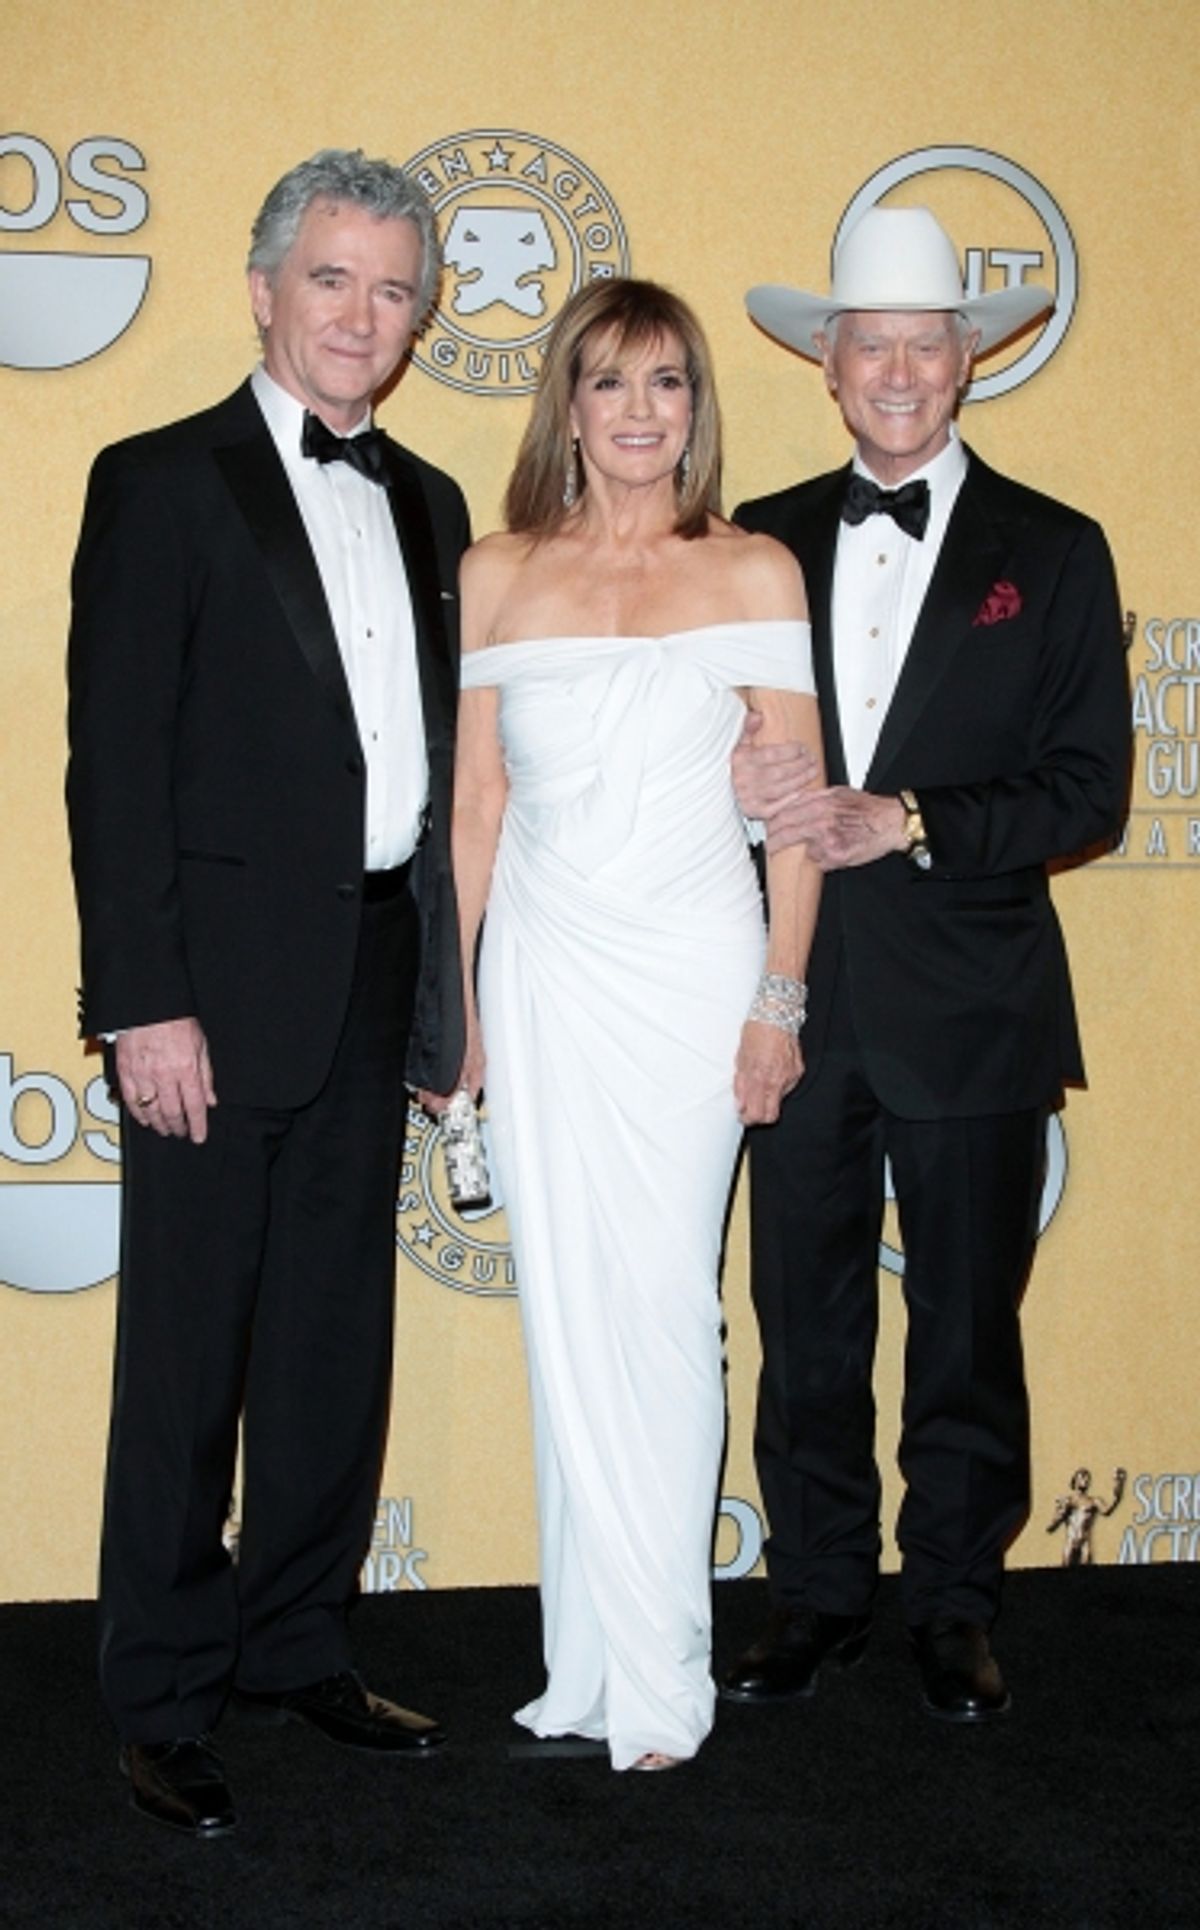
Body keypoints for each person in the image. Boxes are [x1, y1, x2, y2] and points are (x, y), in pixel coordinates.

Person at [65, 148, 469, 1836]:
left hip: (374, 970)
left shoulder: (434, 501)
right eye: (332, 278)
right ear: (263, 290)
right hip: (210, 999)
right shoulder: (161, 479)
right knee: (186, 1354)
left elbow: (443, 780)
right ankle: (163, 1694)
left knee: (328, 1340)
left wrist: (447, 1006)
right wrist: (141, 999)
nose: (363, 315)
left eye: (393, 289)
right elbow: (114, 763)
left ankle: (299, 1638)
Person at [723, 207, 1129, 1721]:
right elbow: (694, 751)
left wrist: (911, 819)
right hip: (795, 995)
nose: (897, 372)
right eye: (870, 346)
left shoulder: (1057, 547)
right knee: (803, 1324)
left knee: (966, 1327)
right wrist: (728, 787)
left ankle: (956, 1601)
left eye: (924, 346)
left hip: (975, 1004)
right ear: (828, 366)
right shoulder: (753, 535)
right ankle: (816, 1591)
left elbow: (1089, 792)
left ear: (969, 361)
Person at [441, 278, 822, 1770]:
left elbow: (797, 812)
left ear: (696, 406)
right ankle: (588, 1672)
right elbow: (478, 806)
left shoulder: (755, 568)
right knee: (566, 1319)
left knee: (661, 1311)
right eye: (610, 381)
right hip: (540, 973)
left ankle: (665, 1680)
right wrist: (454, 1009)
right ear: (569, 403)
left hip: (691, 975)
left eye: (667, 382)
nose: (640, 411)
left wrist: (778, 999)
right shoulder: (496, 572)